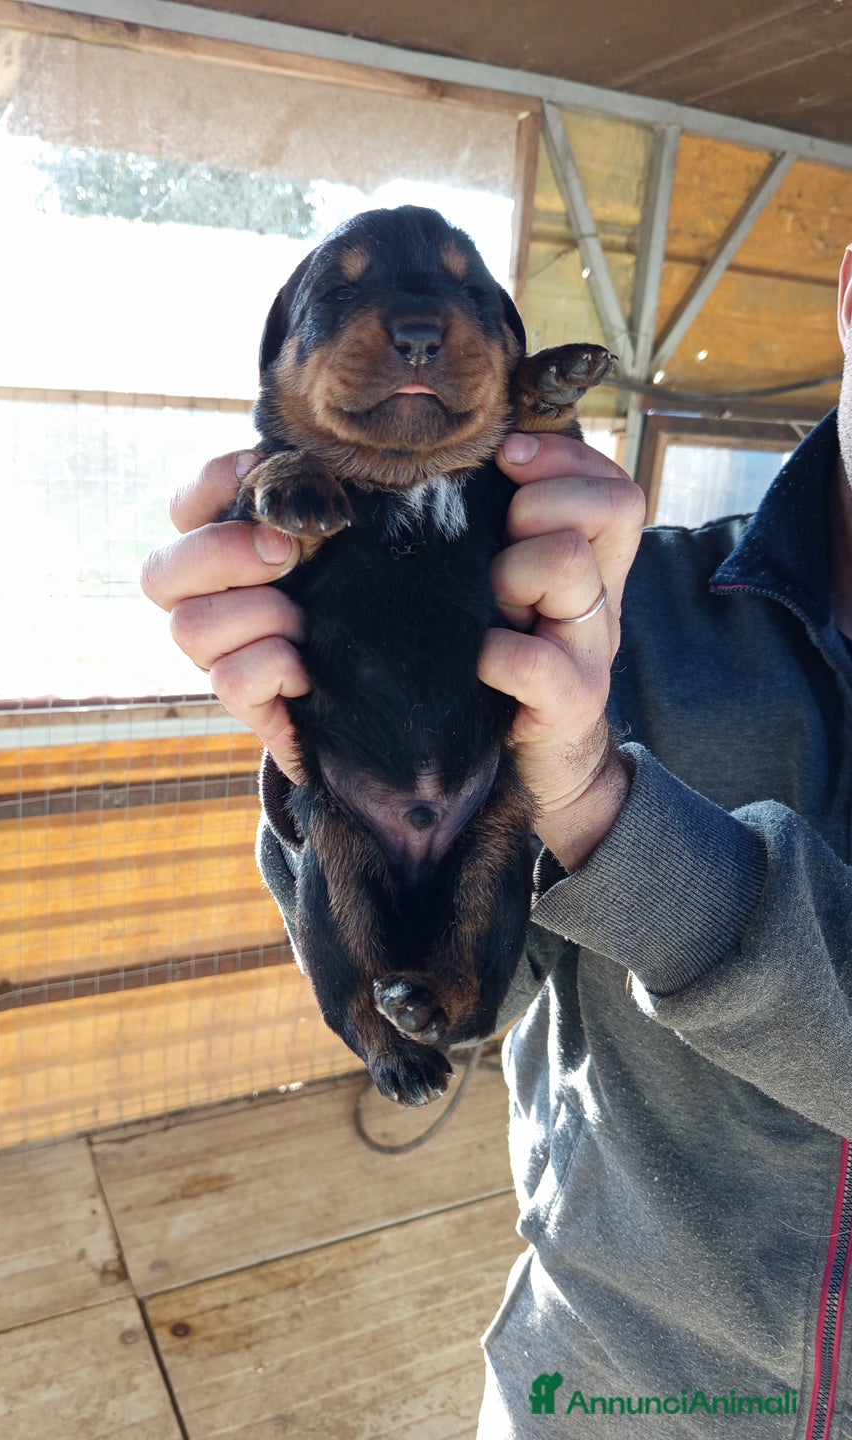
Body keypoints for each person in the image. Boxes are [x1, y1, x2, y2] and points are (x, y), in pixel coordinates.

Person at [140, 246, 852, 1436]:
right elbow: (480, 996)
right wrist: (306, 743)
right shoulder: (618, 595)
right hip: (590, 1388)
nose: (420, 327)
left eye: (467, 301)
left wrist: (618, 825)